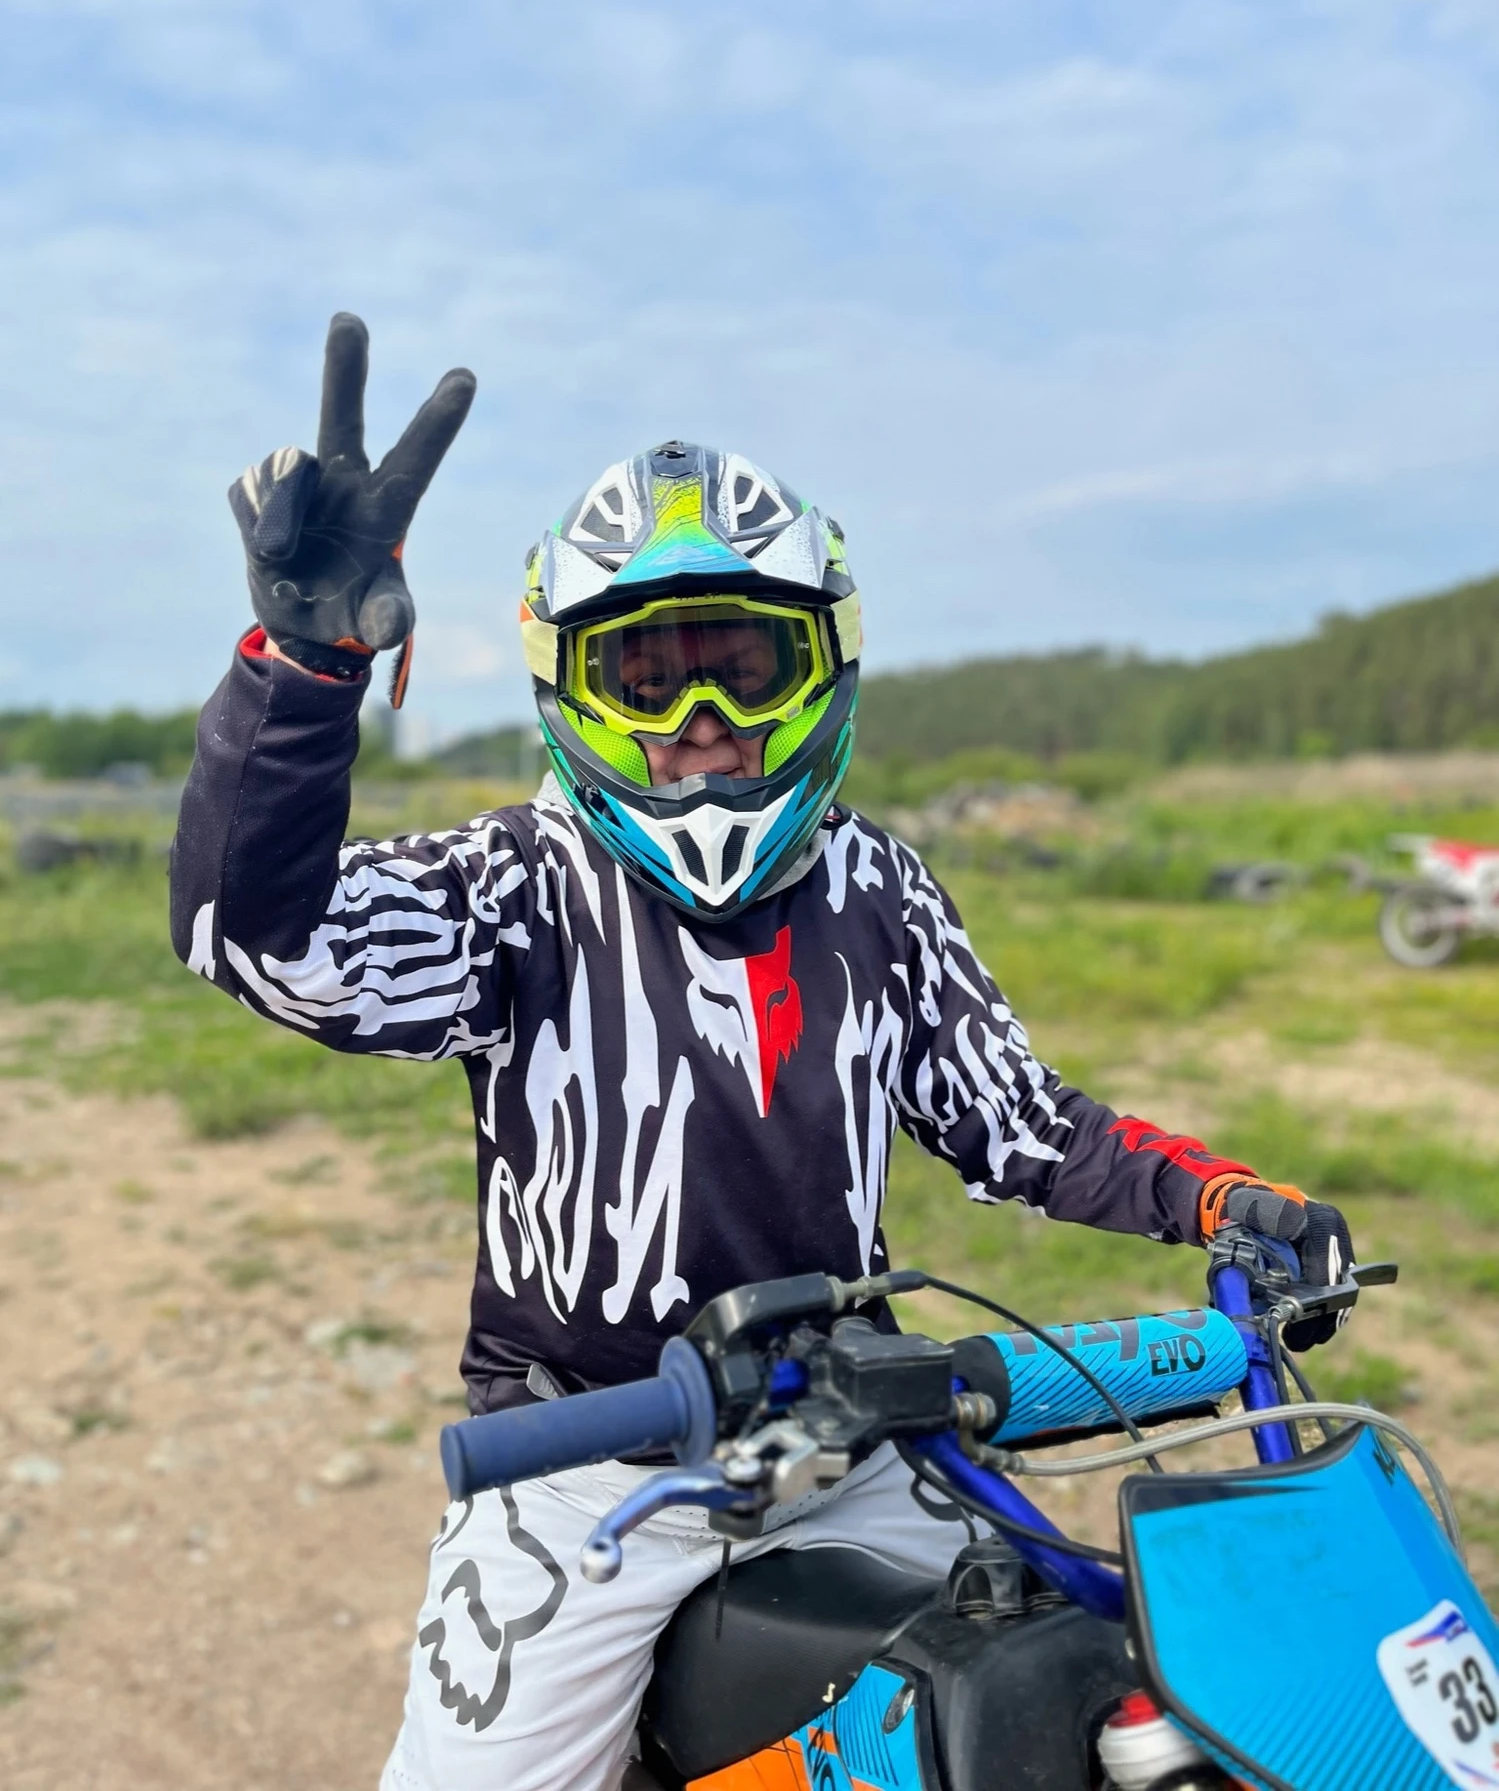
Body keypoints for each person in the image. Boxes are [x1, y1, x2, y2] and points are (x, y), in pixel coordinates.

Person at [170, 315, 1354, 1791]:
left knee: (1061, 1706)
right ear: (571, 690)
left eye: (744, 668)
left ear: (822, 669)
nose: (705, 725)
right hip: (588, 1479)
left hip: (858, 1448)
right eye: (648, 680)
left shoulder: (876, 887)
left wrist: (1218, 1198)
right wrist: (303, 667)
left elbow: (1022, 1124)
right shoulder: (516, 885)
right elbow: (254, 934)